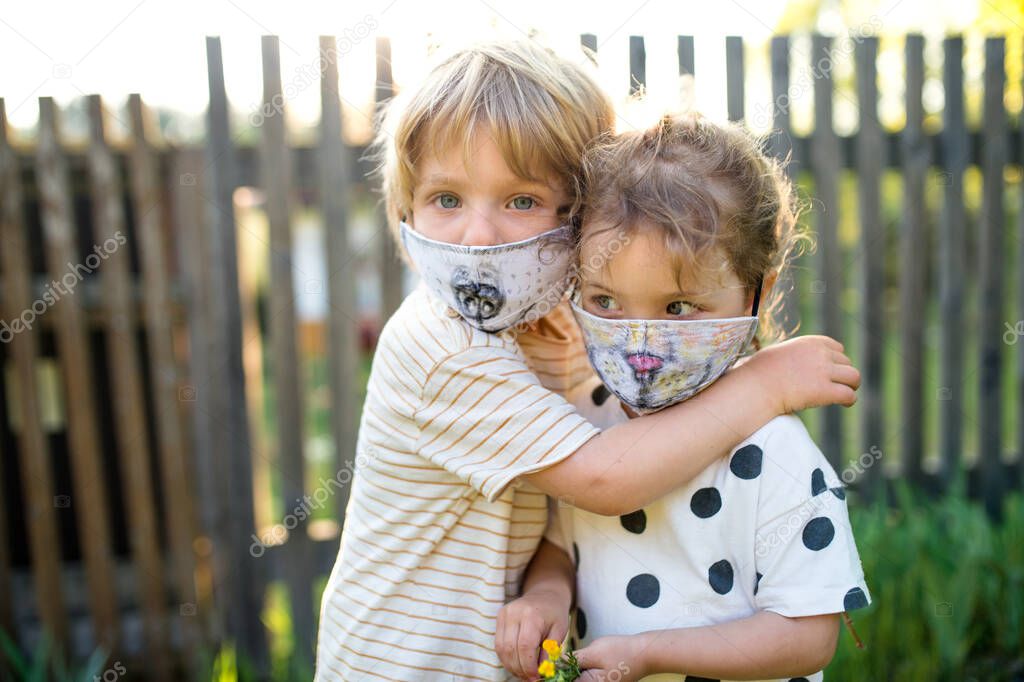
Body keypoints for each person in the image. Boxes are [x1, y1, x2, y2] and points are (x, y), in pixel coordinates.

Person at [314, 42, 861, 681]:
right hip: (403, 666)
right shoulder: (441, 346)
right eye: (446, 198)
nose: (478, 235)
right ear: (405, 210)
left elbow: (572, 512)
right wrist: (762, 384)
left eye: (521, 200)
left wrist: (549, 591)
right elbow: (605, 481)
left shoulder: (563, 325)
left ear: (583, 217)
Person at [497, 113, 872, 682]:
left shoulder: (774, 450)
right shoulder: (584, 419)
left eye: (677, 308)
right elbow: (560, 543)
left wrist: (648, 653)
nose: (639, 341)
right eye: (604, 301)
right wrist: (545, 596)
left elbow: (808, 636)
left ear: (756, 292)